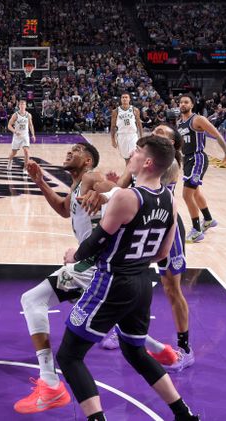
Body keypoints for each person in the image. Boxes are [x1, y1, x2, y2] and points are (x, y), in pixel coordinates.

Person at [56, 135, 200, 421]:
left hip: (112, 282)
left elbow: (96, 242)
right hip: (142, 284)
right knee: (134, 351)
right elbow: (162, 253)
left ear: (147, 162)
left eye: (136, 152)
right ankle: (184, 415)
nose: (130, 156)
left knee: (69, 356)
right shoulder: (169, 200)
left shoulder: (127, 197)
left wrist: (75, 254)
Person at [14, 142, 113, 414]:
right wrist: (40, 181)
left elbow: (104, 184)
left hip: (92, 263)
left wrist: (110, 191)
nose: (70, 151)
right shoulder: (76, 186)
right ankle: (158, 350)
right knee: (132, 339)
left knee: (32, 300)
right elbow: (62, 208)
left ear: (88, 160)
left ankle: (49, 382)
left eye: (78, 149)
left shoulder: (91, 177)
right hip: (97, 265)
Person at [92, 123, 194, 372]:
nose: (155, 134)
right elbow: (121, 187)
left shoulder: (170, 164)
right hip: (139, 219)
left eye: (162, 134)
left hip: (163, 222)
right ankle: (126, 329)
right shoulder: (140, 159)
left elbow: (139, 188)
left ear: (173, 145)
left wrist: (113, 188)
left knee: (172, 289)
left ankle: (185, 348)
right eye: (155, 131)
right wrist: (103, 190)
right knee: (130, 275)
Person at [176, 93, 226, 243]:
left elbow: (217, 134)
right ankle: (208, 219)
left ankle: (196, 231)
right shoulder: (179, 123)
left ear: (192, 105)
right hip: (187, 159)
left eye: (186, 102)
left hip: (197, 158)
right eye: (181, 102)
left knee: (187, 195)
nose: (183, 104)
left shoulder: (198, 119)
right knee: (195, 193)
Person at [110, 93, 143, 162]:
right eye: (123, 97)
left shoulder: (135, 110)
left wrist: (141, 136)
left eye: (126, 97)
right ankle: (129, 172)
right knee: (126, 158)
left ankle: (134, 172)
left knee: (134, 156)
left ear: (129, 99)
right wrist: (113, 140)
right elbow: (113, 126)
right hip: (122, 136)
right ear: (121, 99)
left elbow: (139, 124)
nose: (124, 99)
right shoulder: (115, 111)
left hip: (133, 135)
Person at [7, 100, 36, 173]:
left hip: (25, 136)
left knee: (26, 151)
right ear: (19, 106)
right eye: (21, 104)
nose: (22, 106)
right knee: (14, 153)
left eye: (24, 104)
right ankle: (10, 161)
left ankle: (25, 168)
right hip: (17, 136)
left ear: (26, 106)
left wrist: (33, 134)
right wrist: (15, 131)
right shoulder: (15, 115)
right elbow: (9, 126)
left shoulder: (28, 115)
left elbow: (30, 125)